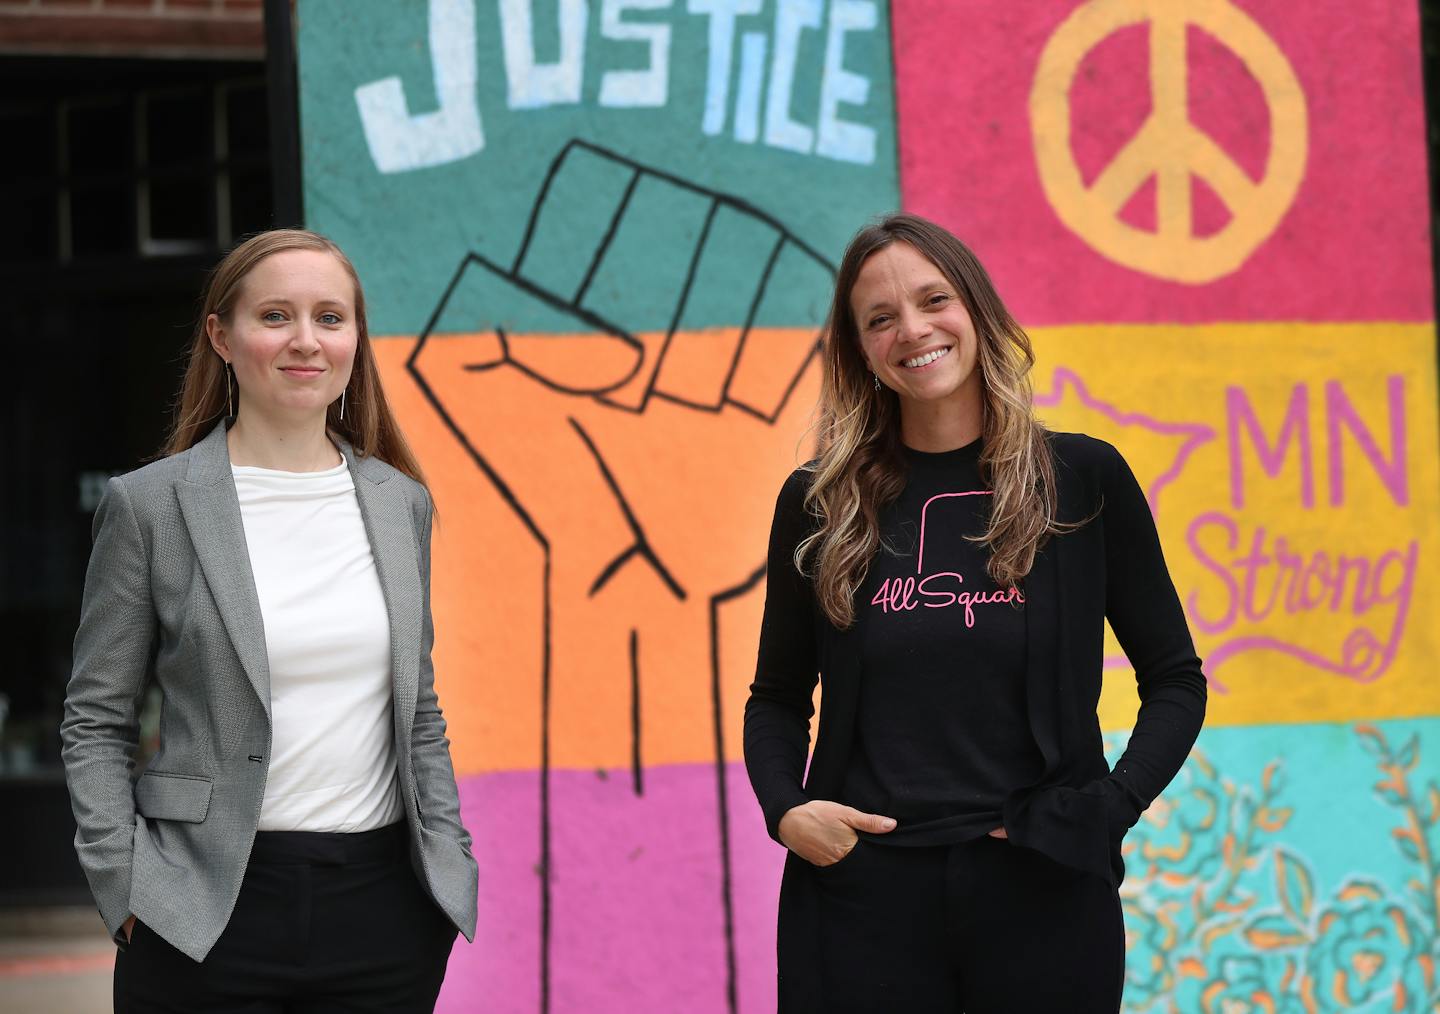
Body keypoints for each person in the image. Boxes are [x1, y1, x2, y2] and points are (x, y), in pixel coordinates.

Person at [744, 213, 1206, 1012]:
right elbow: (777, 697)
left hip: (1043, 890)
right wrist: (787, 811)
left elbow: (1175, 680)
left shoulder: (1081, 479)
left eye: (933, 300)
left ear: (976, 309)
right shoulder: (821, 503)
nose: (913, 331)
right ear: (860, 351)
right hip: (862, 899)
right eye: (880, 319)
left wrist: (1109, 808)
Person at [61, 229, 478, 1012]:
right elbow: (95, 719)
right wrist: (125, 888)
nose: (305, 341)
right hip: (201, 908)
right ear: (222, 335)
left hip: (385, 911)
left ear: (356, 337)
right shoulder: (150, 506)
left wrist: (448, 864)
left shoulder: (400, 504)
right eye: (276, 316)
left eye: (330, 317)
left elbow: (418, 710)